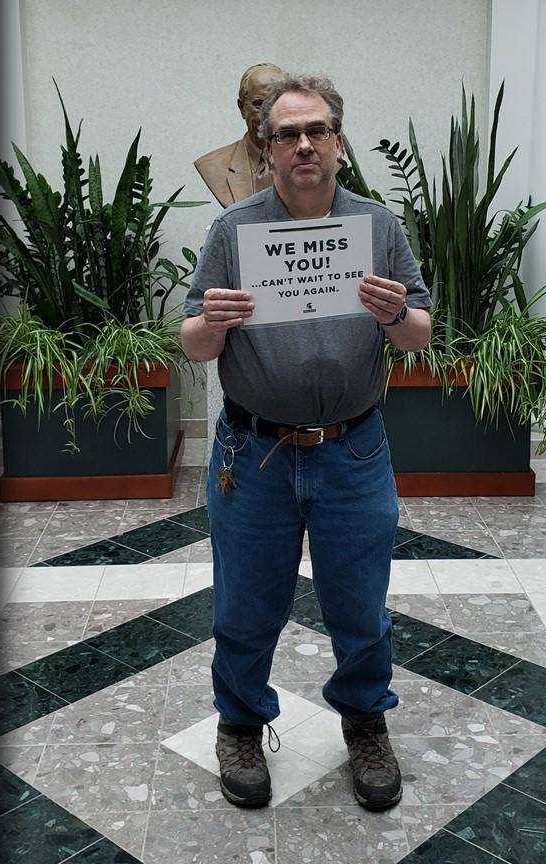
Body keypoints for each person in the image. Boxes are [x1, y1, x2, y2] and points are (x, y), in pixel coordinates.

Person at [181, 73, 432, 811]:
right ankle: (239, 722)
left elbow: (421, 332)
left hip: (353, 451)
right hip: (253, 455)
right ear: (268, 149)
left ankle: (364, 721)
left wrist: (394, 316)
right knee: (246, 603)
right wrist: (215, 322)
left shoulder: (378, 229)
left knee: (359, 604)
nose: (302, 145)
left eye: (315, 130)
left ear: (338, 144)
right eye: (287, 134)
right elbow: (193, 343)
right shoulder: (234, 233)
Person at [194, 63, 284, 207]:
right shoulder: (212, 164)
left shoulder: (310, 159)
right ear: (242, 108)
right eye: (259, 104)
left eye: (277, 103)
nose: (268, 114)